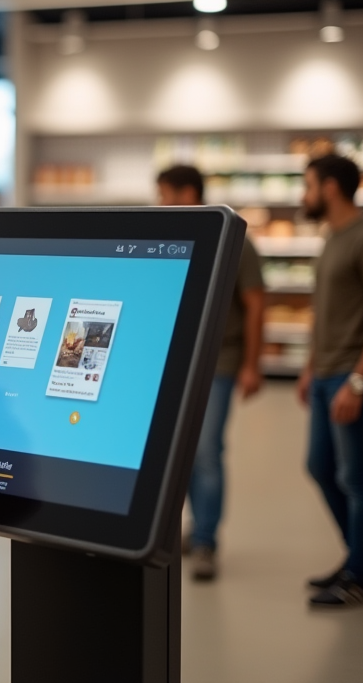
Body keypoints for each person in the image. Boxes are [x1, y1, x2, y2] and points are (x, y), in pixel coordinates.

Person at [299, 154, 363, 607]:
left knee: (355, 475)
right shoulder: (333, 236)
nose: (304, 195)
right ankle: (362, 556)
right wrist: (310, 367)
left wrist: (358, 382)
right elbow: (326, 310)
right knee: (320, 467)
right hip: (326, 371)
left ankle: (358, 577)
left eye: (308, 186)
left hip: (354, 374)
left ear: (330, 187)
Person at [157, 165, 265, 582]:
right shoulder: (171, 238)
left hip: (219, 362)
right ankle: (193, 525)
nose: (161, 203)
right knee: (178, 451)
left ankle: (206, 541)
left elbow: (255, 304)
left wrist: (252, 364)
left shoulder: (234, 238)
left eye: (166, 194)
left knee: (205, 452)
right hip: (177, 363)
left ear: (188, 194)